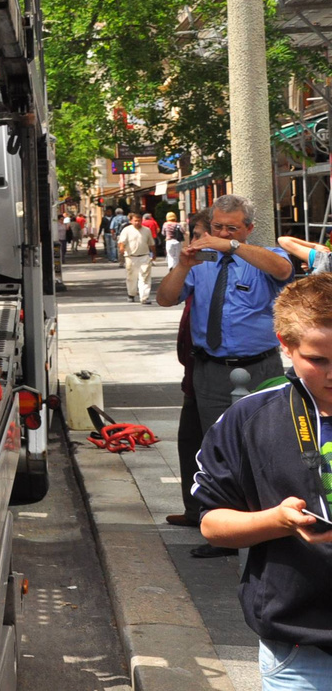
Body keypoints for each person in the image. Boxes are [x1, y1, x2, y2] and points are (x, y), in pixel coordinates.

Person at [191, 273, 332, 688]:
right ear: (284, 345)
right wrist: (278, 521)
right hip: (302, 651)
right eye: (318, 360)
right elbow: (212, 524)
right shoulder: (249, 419)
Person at [156, 193, 293, 557]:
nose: (219, 233)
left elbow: (282, 271)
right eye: (216, 226)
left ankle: (261, 521)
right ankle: (223, 526)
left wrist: (232, 246)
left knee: (263, 442)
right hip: (212, 369)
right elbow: (166, 298)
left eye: (231, 228)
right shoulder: (202, 262)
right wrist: (183, 265)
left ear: (248, 229)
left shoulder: (264, 258)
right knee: (215, 446)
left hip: (259, 366)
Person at [167, 209, 212, 529]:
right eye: (191, 235)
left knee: (213, 444)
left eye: (196, 235)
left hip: (218, 370)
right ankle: (194, 508)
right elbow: (165, 297)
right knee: (189, 441)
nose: (191, 242)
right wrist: (183, 266)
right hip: (194, 370)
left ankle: (215, 515)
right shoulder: (196, 269)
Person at [119, 211, 156, 304]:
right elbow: (121, 242)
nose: (137, 223)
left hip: (144, 256)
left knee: (145, 277)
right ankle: (131, 294)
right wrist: (122, 249)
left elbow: (151, 243)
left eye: (139, 221)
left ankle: (144, 297)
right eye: (135, 221)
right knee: (131, 277)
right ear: (131, 221)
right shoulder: (126, 230)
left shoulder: (146, 230)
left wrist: (154, 254)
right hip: (131, 257)